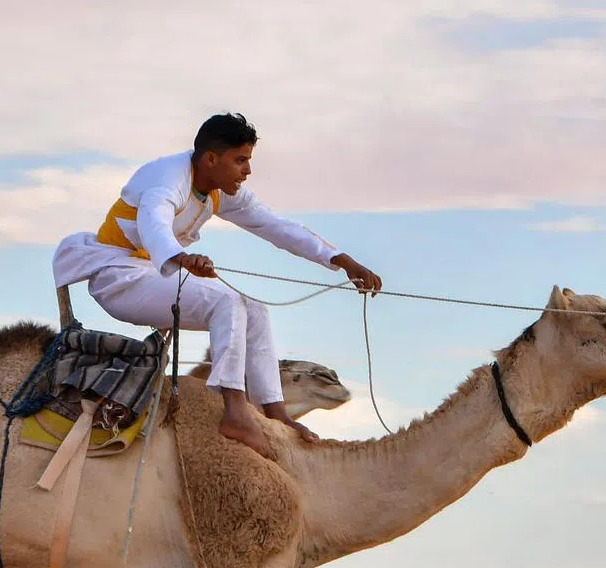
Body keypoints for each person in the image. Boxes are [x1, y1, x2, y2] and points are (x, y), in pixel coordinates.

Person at [52, 113, 381, 457]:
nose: (248, 171)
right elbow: (154, 225)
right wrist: (181, 258)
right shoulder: (166, 180)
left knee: (254, 307)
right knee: (226, 303)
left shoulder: (218, 191)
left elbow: (277, 227)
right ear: (211, 159)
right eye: (241, 160)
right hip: (118, 276)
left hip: (153, 272)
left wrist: (341, 260)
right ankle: (236, 411)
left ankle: (275, 411)